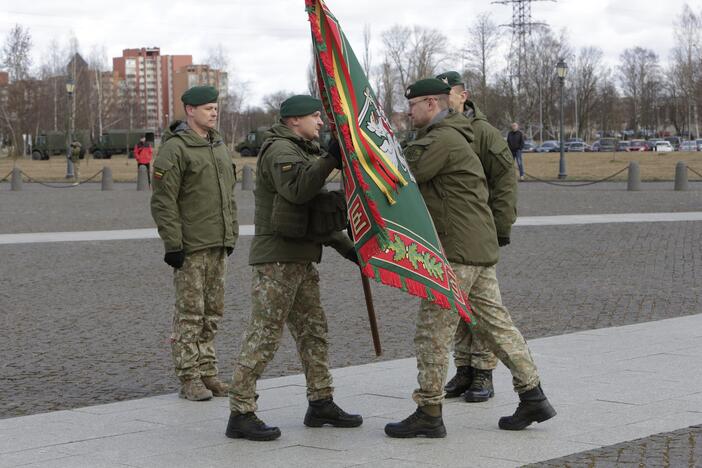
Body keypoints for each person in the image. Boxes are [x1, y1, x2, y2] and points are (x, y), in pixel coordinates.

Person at [384, 78, 555, 438]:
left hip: (457, 253)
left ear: (431, 104)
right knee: (496, 326)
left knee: (431, 333)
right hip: (477, 249)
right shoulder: (456, 134)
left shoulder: (440, 139)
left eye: (412, 106)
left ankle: (429, 410)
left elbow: (400, 177)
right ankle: (533, 394)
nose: (408, 112)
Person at [225, 95, 362, 442]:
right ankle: (241, 411)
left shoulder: (304, 150)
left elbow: (315, 216)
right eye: (314, 117)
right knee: (264, 335)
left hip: (301, 259)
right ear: (293, 120)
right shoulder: (280, 151)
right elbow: (300, 191)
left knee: (314, 332)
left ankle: (321, 402)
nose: (320, 122)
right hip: (276, 262)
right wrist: (331, 157)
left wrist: (353, 252)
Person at [150, 86, 238, 402]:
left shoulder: (218, 145)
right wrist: (173, 244)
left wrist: (231, 235)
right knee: (190, 314)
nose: (213, 113)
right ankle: (189, 377)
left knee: (213, 313)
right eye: (206, 108)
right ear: (190, 110)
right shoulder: (175, 149)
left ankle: (208, 372)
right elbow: (163, 201)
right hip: (191, 247)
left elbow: (227, 194)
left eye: (215, 107)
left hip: (217, 243)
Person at [436, 71, 517, 403]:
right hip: (449, 236)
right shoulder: (438, 132)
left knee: (483, 307)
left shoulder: (482, 133)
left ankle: (484, 371)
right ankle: (465, 369)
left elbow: (505, 179)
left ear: (462, 96)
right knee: (455, 304)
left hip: (477, 233)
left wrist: (500, 227)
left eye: (447, 97)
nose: (442, 104)